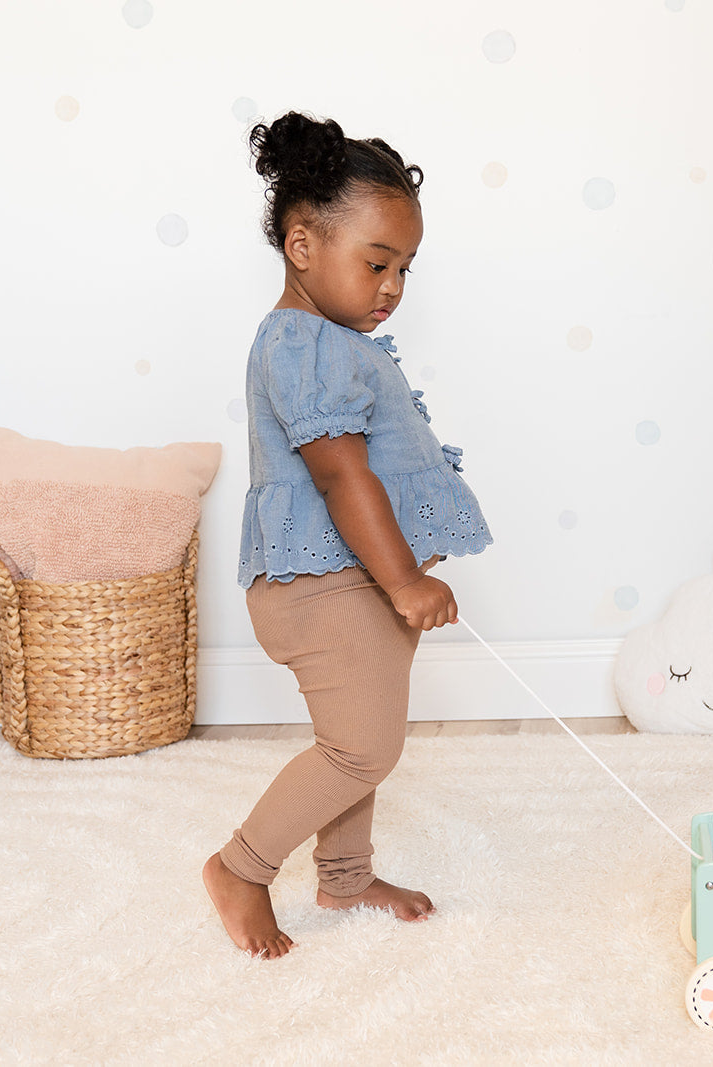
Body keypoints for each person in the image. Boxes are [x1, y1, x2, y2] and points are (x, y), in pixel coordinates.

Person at [203, 111, 492, 958]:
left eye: (403, 268)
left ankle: (346, 876)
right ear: (301, 247)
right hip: (322, 585)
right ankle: (241, 866)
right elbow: (340, 475)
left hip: (352, 582)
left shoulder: (331, 340)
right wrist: (403, 579)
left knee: (362, 740)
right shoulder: (303, 344)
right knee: (361, 747)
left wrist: (394, 581)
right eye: (375, 263)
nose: (392, 286)